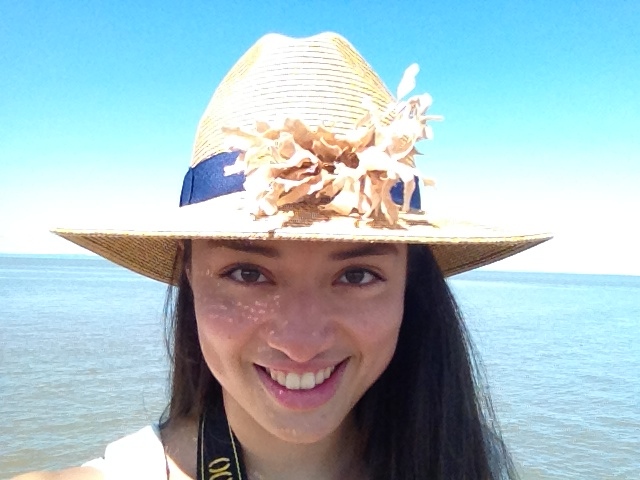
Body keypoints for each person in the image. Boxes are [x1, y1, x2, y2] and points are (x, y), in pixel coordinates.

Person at [14, 32, 551, 480]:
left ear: (411, 286)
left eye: (357, 275)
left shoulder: (475, 461)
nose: (300, 341)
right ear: (189, 274)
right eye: (248, 273)